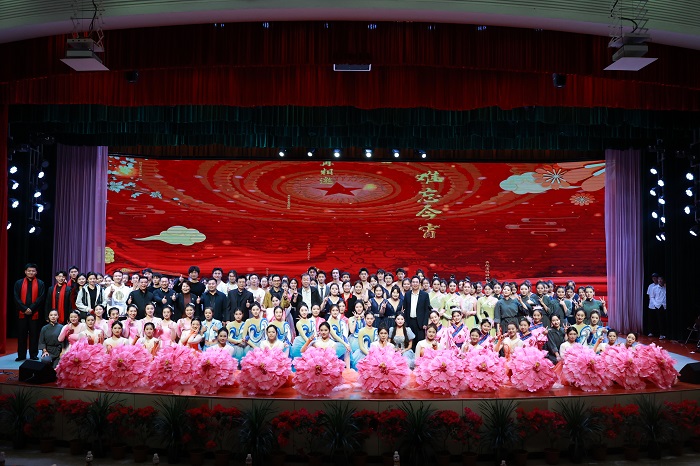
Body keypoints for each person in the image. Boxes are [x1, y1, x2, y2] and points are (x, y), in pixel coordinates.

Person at [13, 263, 46, 361]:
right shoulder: (18, 283)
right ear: (25, 271)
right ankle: (21, 355)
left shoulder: (40, 283)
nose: (31, 272)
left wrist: (31, 308)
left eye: (33, 271)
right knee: (21, 335)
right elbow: (16, 297)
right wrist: (24, 309)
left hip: (35, 313)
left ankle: (33, 354)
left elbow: (41, 298)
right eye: (29, 271)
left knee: (34, 335)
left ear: (36, 272)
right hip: (21, 313)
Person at [403, 276, 431, 342]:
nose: (415, 284)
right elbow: (405, 309)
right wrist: (405, 323)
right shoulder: (407, 294)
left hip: (420, 323)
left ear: (419, 284)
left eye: (416, 282)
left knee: (420, 341)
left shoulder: (425, 295)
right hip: (409, 322)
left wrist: (425, 323)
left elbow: (427, 310)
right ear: (411, 284)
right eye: (413, 282)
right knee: (410, 341)